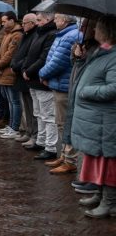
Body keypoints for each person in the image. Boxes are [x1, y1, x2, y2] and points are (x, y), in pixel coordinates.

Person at [70, 15, 116, 218]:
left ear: (107, 31)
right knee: (97, 159)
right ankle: (99, 194)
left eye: (97, 27)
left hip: (105, 121)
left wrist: (86, 91)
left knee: (108, 162)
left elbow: (114, 88)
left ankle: (110, 202)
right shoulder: (100, 52)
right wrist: (79, 58)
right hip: (94, 120)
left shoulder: (113, 57)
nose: (93, 30)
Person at [39, 14, 82, 170]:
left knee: (65, 124)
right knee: (61, 123)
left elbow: (57, 62)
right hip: (59, 83)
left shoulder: (69, 36)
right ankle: (64, 155)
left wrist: (42, 74)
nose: (54, 21)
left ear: (64, 21)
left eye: (56, 18)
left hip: (64, 85)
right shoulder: (64, 35)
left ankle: (70, 159)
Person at [66, 19, 100, 195]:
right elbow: (79, 68)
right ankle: (89, 178)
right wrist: (77, 56)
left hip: (90, 101)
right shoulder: (86, 45)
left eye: (86, 26)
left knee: (93, 144)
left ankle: (96, 183)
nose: (81, 29)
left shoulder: (100, 50)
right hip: (79, 94)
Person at [21, 12, 57, 152]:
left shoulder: (51, 34)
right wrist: (25, 68)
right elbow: (29, 54)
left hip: (40, 80)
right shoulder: (39, 33)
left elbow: (44, 58)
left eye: (39, 20)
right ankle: (40, 141)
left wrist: (29, 71)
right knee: (38, 113)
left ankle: (50, 146)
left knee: (48, 116)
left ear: (47, 19)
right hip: (32, 80)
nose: (37, 22)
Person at [0, 12, 24, 139]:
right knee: (9, 101)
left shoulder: (16, 35)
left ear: (12, 20)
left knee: (14, 101)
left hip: (9, 72)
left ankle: (15, 127)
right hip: (3, 72)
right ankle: (11, 124)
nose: (3, 23)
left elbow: (9, 54)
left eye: (5, 21)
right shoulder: (8, 33)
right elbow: (1, 52)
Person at [10, 13, 38, 143]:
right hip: (20, 74)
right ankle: (28, 131)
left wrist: (17, 66)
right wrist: (13, 63)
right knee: (26, 106)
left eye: (25, 23)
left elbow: (29, 57)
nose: (23, 25)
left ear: (32, 23)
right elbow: (18, 52)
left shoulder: (34, 36)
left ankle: (34, 133)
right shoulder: (25, 35)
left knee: (32, 108)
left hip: (27, 74)